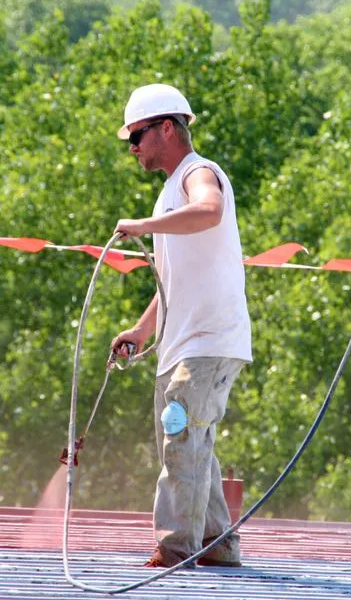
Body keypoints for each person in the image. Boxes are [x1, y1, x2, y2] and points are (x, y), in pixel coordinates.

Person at [109, 83, 253, 568]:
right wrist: (142, 331)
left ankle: (174, 549)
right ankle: (217, 544)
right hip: (182, 343)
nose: (132, 147)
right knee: (194, 441)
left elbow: (209, 211)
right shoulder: (171, 193)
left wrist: (140, 227)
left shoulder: (198, 174)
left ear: (166, 128)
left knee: (182, 437)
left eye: (137, 135)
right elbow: (173, 278)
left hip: (208, 341)